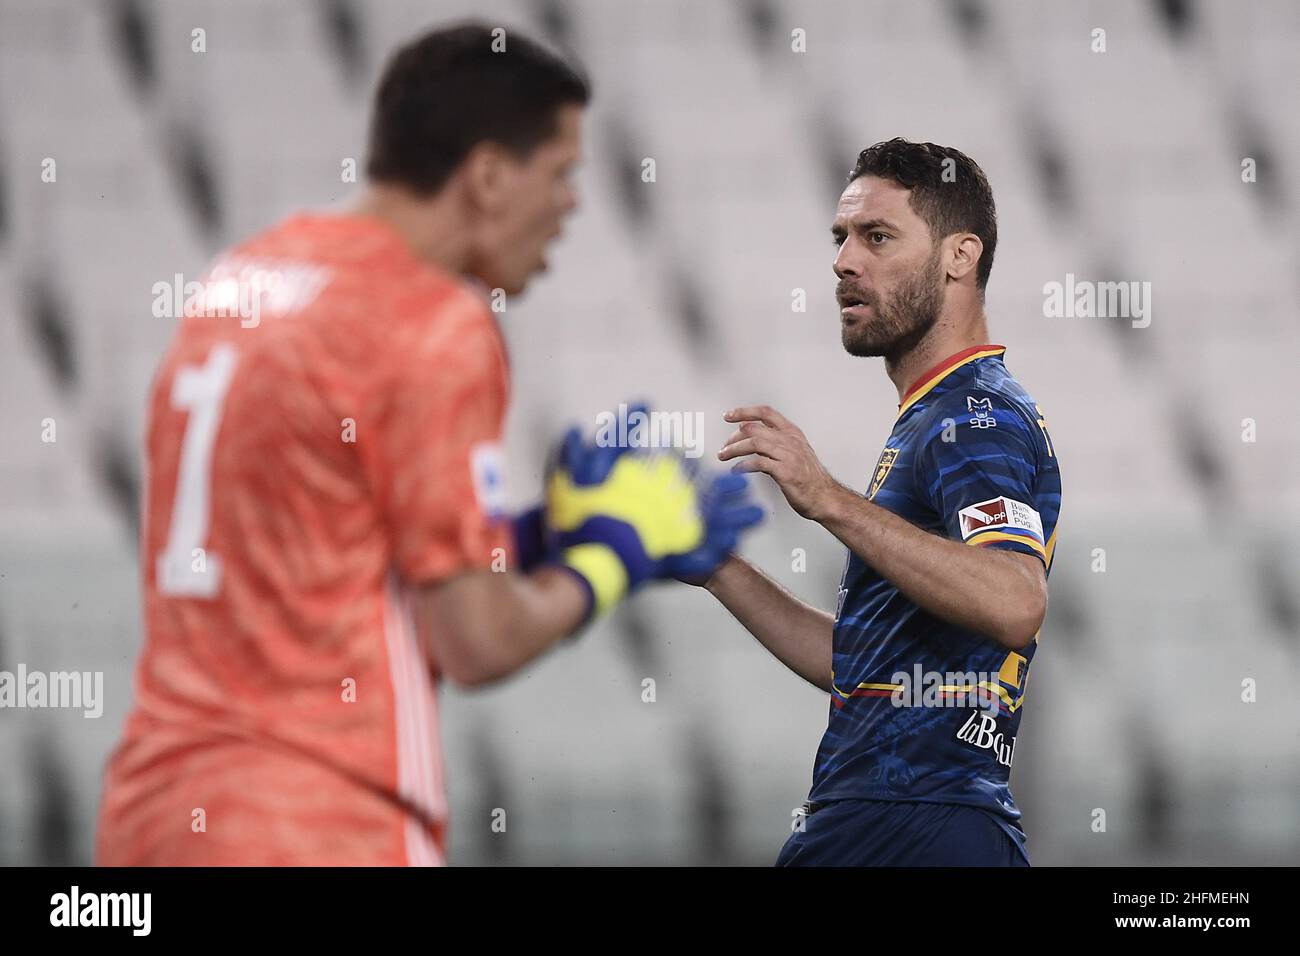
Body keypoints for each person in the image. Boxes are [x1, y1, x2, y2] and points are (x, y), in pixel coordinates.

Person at [96, 22, 760, 867]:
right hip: (317, 819)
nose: (572, 205)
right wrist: (612, 557)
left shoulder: (240, 278)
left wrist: (530, 538)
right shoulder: (432, 319)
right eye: (559, 173)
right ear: (487, 176)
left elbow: (315, 553)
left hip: (153, 813)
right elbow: (476, 642)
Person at [704, 139, 1062, 866]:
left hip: (909, 823)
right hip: (907, 820)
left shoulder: (975, 417)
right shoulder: (940, 414)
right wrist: (717, 567)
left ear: (961, 256)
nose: (843, 261)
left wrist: (826, 498)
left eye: (877, 236)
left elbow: (1014, 598)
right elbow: (865, 666)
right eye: (840, 238)